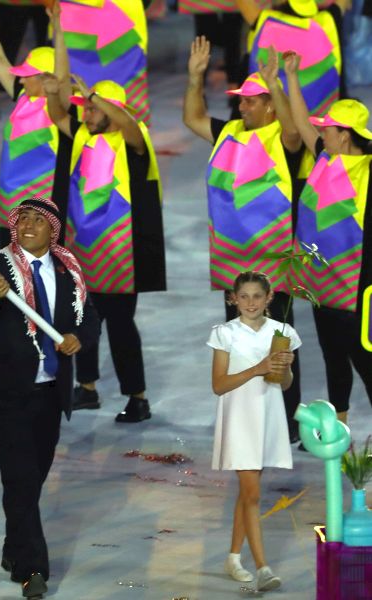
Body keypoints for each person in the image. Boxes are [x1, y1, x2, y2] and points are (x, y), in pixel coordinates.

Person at [0, 197, 98, 599]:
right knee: (21, 478)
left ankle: (13, 545)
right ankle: (32, 569)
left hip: (49, 394)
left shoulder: (68, 269)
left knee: (29, 481)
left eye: (37, 220)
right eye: (22, 218)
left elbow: (89, 318)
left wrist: (79, 337)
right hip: (4, 393)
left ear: (52, 231)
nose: (26, 224)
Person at [184, 36, 305, 441]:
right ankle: (248, 416)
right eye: (242, 99)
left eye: (251, 100)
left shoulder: (284, 141)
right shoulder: (230, 131)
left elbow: (292, 128)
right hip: (234, 262)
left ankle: (285, 422)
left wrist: (276, 84)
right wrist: (194, 78)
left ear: (270, 104)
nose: (242, 105)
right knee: (238, 341)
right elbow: (192, 119)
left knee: (278, 344)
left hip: (273, 263)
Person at [45, 25, 165, 422]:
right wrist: (53, 87)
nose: (87, 111)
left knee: (120, 326)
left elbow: (129, 125)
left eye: (93, 107)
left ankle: (138, 396)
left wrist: (99, 97)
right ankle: (88, 387)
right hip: (84, 250)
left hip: (122, 253)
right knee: (82, 319)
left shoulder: (133, 140)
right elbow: (58, 112)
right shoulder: (82, 135)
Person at [281, 51, 372, 425]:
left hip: (358, 290)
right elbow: (303, 124)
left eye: (329, 129)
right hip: (323, 285)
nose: (321, 133)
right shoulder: (324, 158)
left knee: (366, 363)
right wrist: (291, 78)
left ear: (345, 134)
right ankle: (340, 430)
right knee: (334, 360)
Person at [208, 270, 299, 591]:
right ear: (233, 299)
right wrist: (257, 368)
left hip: (268, 417)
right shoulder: (224, 334)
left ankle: (233, 557)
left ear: (269, 298)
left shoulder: (281, 332)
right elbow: (219, 385)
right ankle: (262, 567)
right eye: (243, 296)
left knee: (248, 493)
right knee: (253, 494)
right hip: (239, 420)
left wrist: (283, 368)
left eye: (257, 296)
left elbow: (285, 384)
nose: (250, 302)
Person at [0, 0, 71, 248]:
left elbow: (62, 74)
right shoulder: (22, 96)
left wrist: (58, 28)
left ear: (46, 78)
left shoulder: (59, 108)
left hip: (42, 209)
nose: (21, 77)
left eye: (28, 73)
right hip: (11, 201)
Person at [235, 0, 349, 115]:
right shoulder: (327, 21)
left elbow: (244, 4)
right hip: (319, 120)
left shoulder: (265, 22)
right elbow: (342, 3)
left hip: (275, 118)